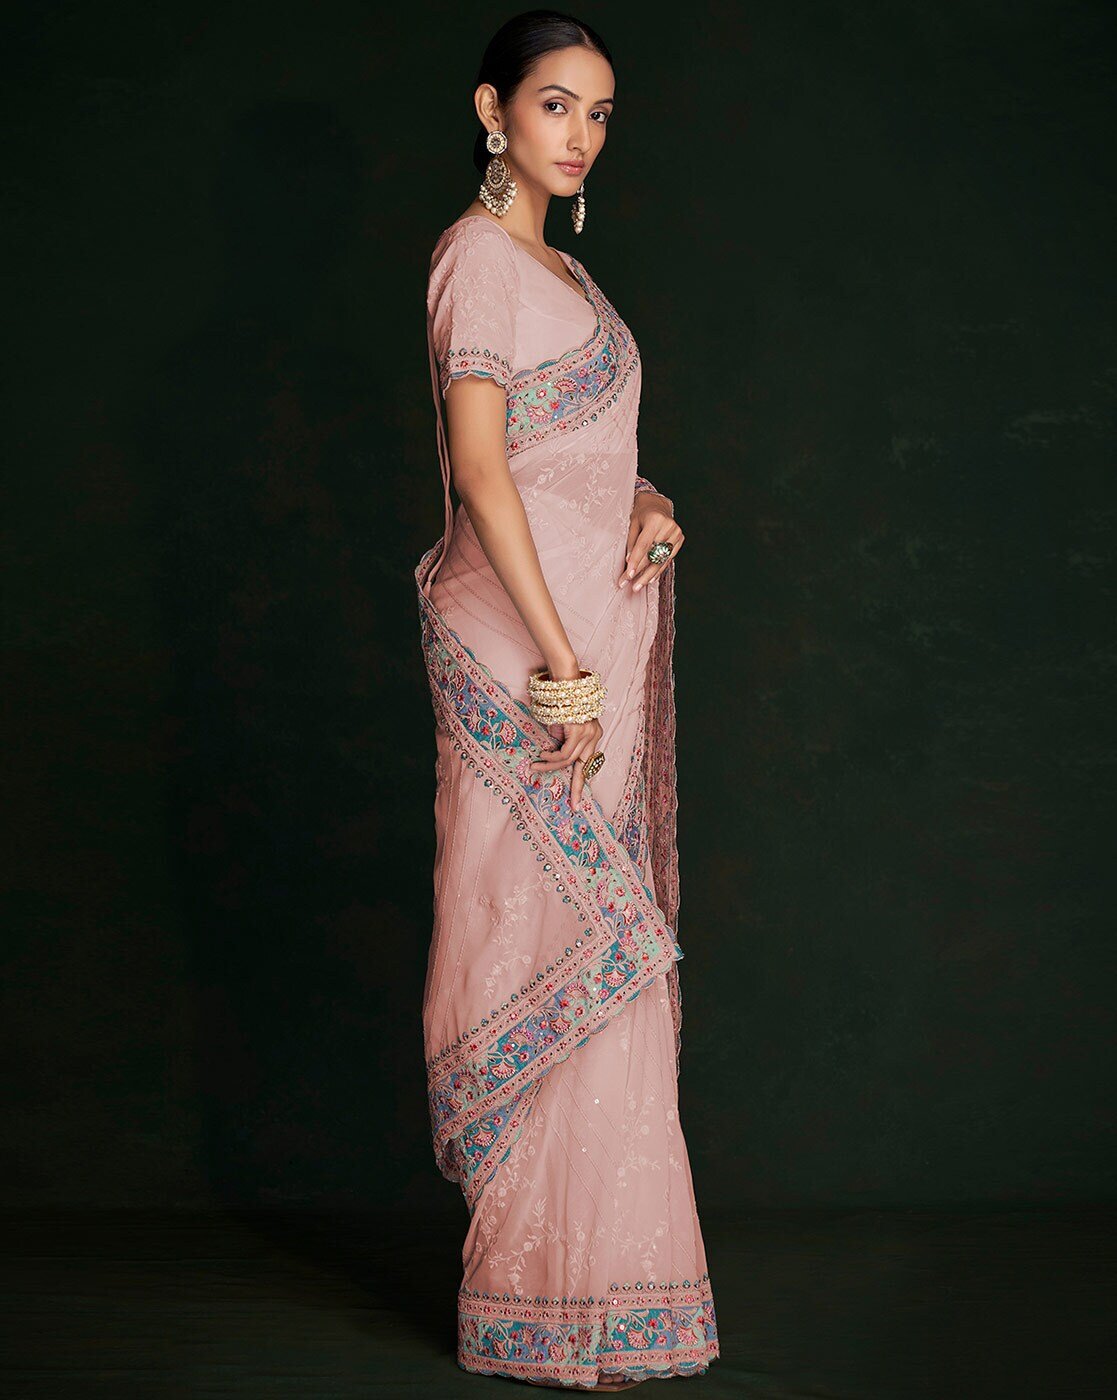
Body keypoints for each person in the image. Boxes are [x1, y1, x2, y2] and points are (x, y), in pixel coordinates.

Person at [415, 11, 720, 1392]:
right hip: (522, 646)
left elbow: (578, 456)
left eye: (598, 112)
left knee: (609, 963)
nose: (580, 134)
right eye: (554, 104)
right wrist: (560, 662)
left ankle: (611, 1293)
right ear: (494, 110)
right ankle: (532, 1294)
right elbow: (482, 474)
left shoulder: (570, 275)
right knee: (540, 935)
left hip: (596, 633)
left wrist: (647, 502)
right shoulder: (477, 260)